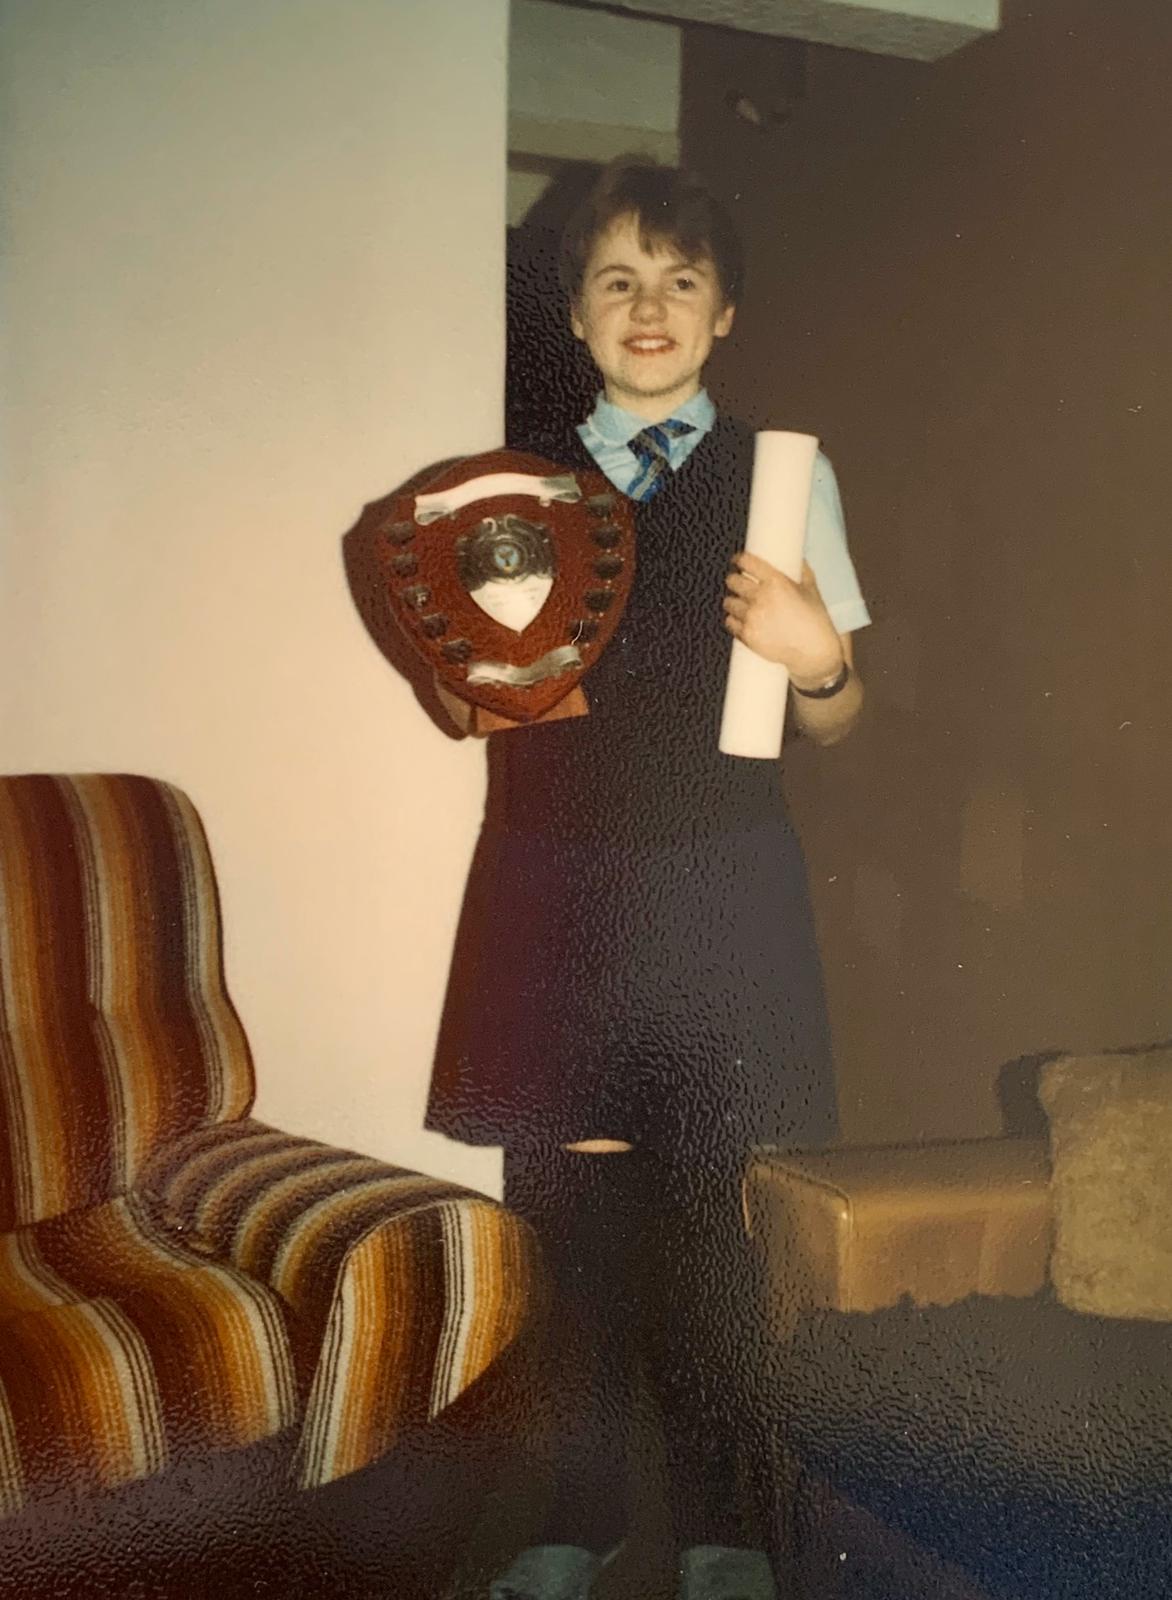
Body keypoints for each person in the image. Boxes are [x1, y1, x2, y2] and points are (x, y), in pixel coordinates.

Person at [426, 159, 870, 1600]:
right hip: (556, 888)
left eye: (682, 279)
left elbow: (836, 719)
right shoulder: (510, 492)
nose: (650, 305)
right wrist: (466, 679)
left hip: (722, 889)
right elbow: (470, 695)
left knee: (710, 1229)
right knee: (568, 1221)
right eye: (617, 279)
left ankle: (728, 1529)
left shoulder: (788, 480)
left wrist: (824, 662)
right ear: (576, 313)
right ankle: (575, 1518)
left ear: (725, 310)